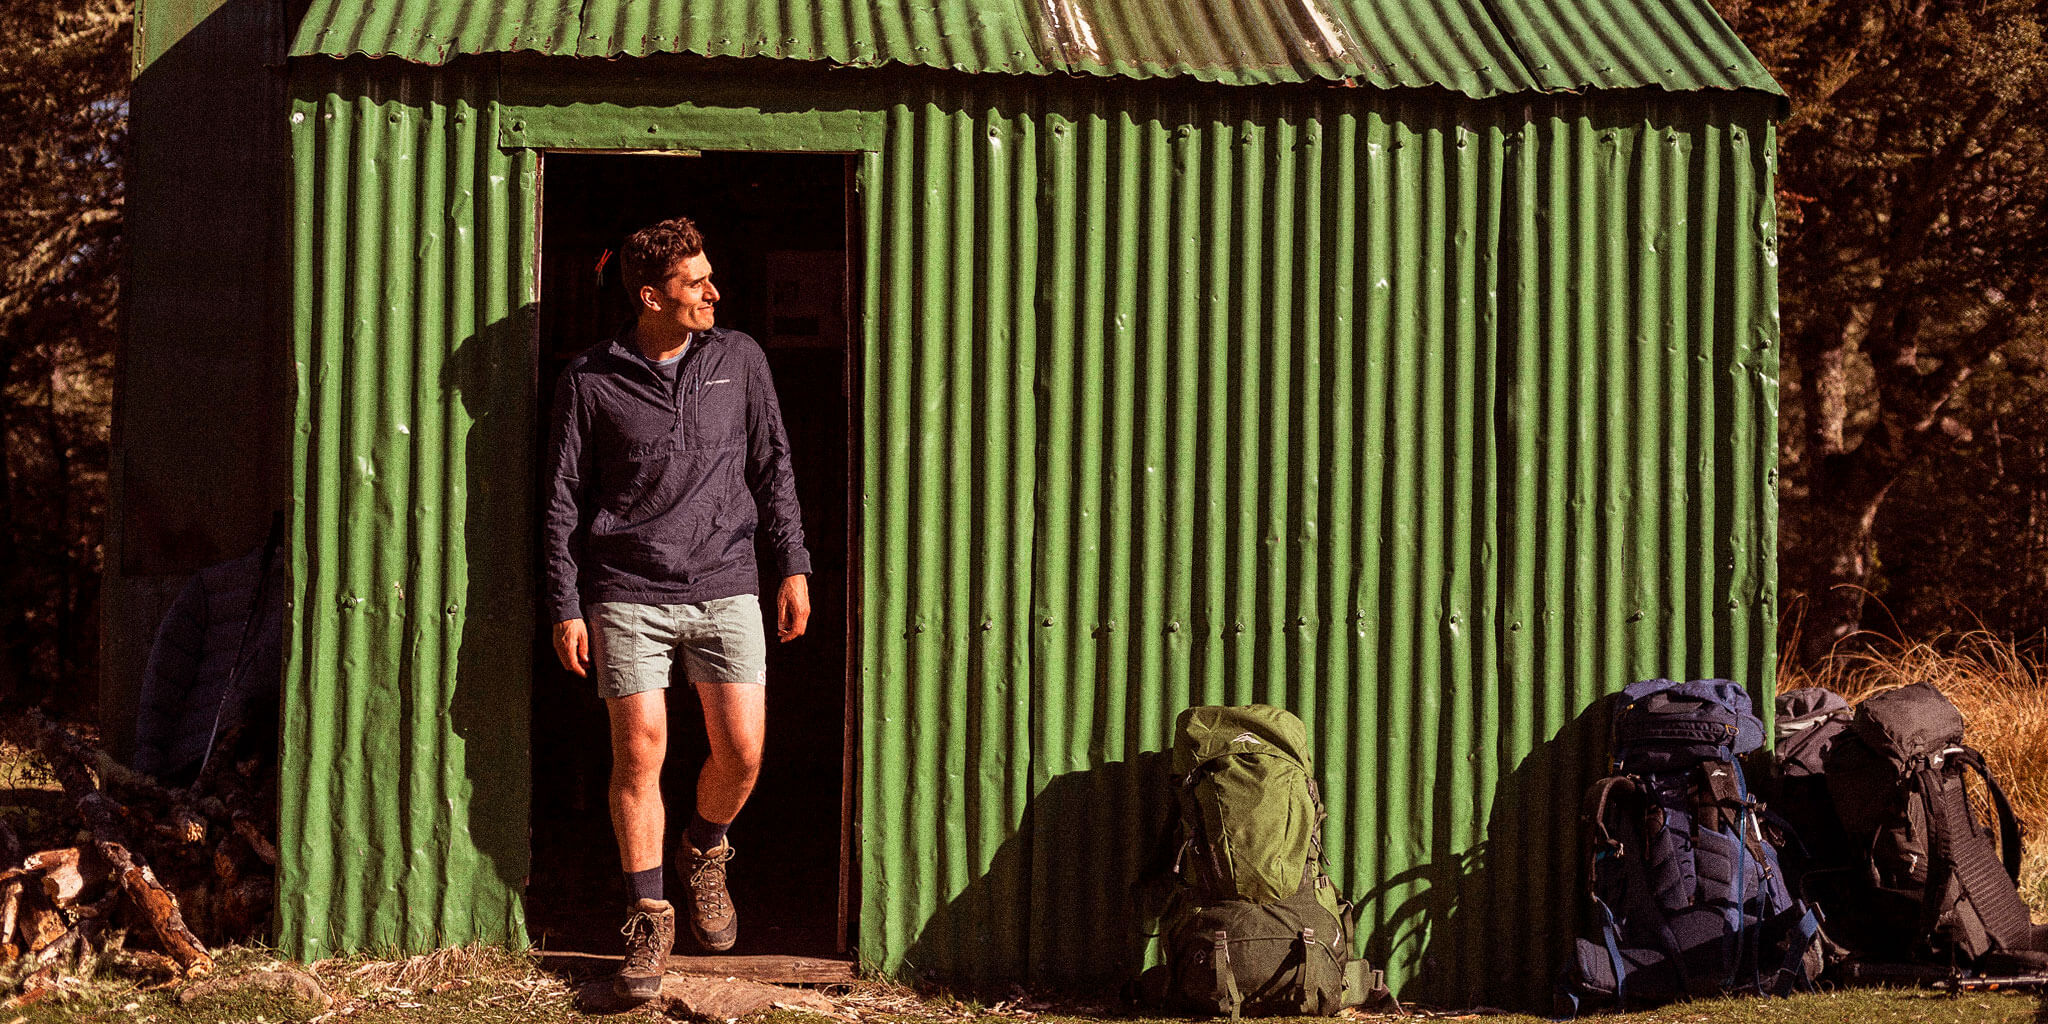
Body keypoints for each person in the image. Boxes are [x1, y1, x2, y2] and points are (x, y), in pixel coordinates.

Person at [543, 216, 811, 1003]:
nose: (714, 294)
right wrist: (566, 602)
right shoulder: (590, 379)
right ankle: (647, 913)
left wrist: (791, 563)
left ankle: (705, 848)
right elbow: (561, 499)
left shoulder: (740, 359)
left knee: (743, 750)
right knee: (642, 752)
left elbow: (773, 462)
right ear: (652, 297)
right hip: (626, 588)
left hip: (728, 576)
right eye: (698, 284)